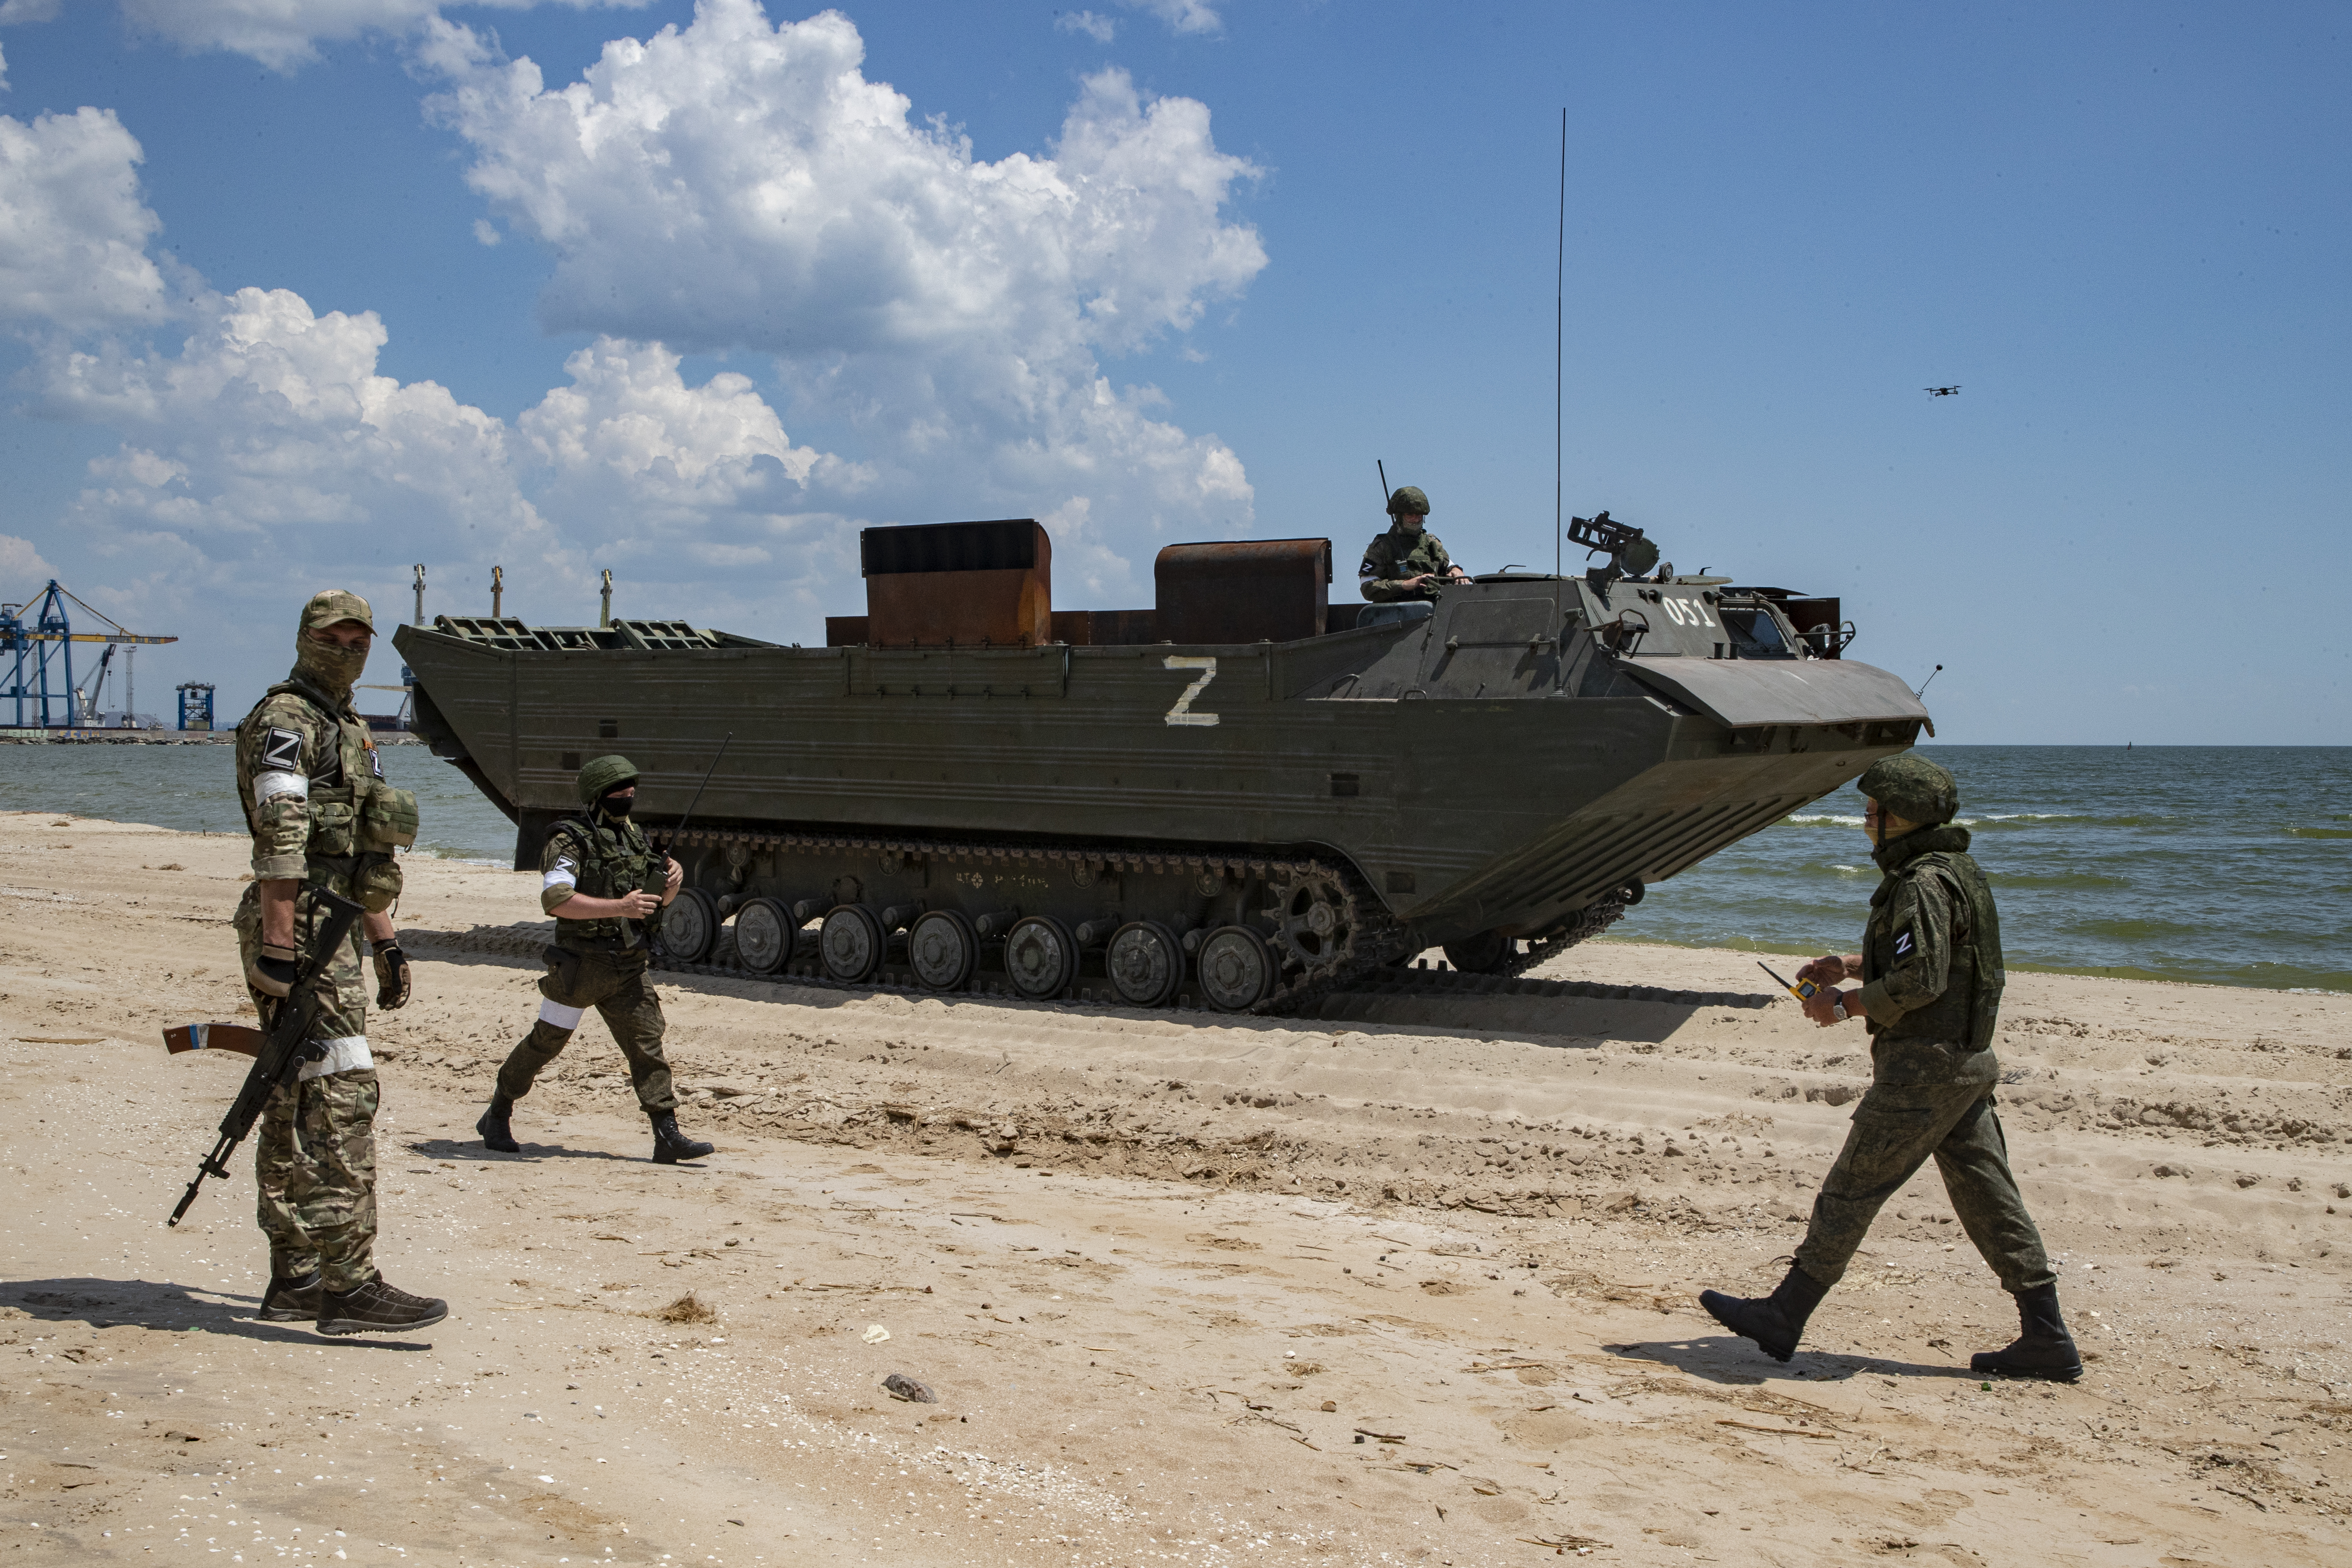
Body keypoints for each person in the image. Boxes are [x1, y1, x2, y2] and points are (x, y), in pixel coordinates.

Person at [1698, 754, 2081, 1381]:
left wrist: (1843, 1006)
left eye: (1876, 812)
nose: (1867, 822)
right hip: (1966, 1064)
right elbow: (1935, 958)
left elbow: (1922, 979)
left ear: (1905, 819)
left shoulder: (1921, 883)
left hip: (1923, 1070)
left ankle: (1785, 1315)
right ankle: (2046, 1336)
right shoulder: (1956, 872)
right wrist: (1849, 965)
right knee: (1989, 1196)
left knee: (1852, 1188)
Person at [234, 590, 447, 1336]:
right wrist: (278, 946)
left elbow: (364, 850)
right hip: (302, 930)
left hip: (340, 924)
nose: (349, 646)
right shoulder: (285, 721)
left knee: (295, 1091)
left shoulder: (348, 727)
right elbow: (283, 839)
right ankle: (348, 1284)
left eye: (361, 636)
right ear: (306, 637)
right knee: (341, 1091)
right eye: (335, 634)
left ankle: (294, 1279)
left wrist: (385, 937)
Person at [477, 755, 715, 1164]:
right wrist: (620, 906)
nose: (629, 796)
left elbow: (650, 906)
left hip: (628, 965)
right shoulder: (568, 842)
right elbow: (557, 901)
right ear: (598, 795)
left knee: (647, 1045)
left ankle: (667, 1134)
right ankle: (499, 1111)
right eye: (619, 791)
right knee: (546, 1043)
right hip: (581, 967)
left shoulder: (633, 837)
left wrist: (672, 885)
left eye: (631, 789)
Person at [1358, 486, 1469, 603]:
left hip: (1433, 610)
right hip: (1394, 612)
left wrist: (1456, 570)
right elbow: (1368, 587)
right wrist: (1404, 585)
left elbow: (1449, 567)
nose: (1416, 519)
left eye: (1419, 515)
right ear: (1399, 517)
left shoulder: (1432, 544)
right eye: (1410, 515)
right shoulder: (1382, 546)